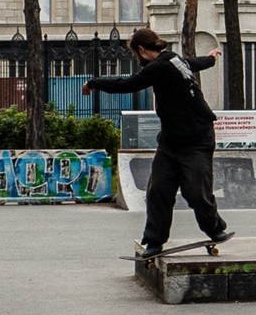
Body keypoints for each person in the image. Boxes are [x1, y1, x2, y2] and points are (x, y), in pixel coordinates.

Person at [84, 27, 231, 255]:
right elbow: (194, 63)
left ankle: (215, 228)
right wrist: (210, 59)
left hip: (197, 140)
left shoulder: (159, 67)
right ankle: (154, 241)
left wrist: (94, 83)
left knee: (195, 191)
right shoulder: (174, 59)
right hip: (171, 142)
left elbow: (127, 85)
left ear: (141, 50)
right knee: (158, 191)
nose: (138, 60)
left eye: (135, 55)